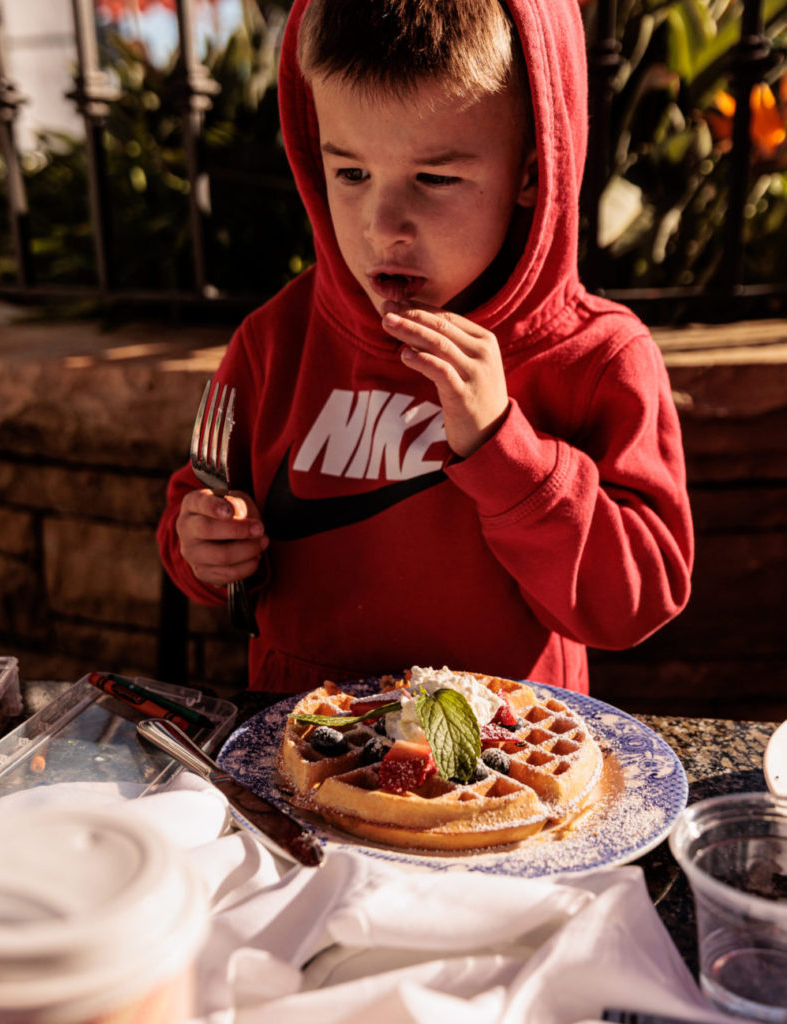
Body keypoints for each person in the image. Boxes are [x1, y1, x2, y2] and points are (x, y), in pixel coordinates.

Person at [157, 0, 693, 696]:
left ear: (533, 171)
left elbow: (637, 601)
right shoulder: (274, 339)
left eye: (435, 179)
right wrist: (204, 548)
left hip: (506, 764)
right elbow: (194, 511)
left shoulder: (597, 357)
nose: (383, 227)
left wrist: (506, 449)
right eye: (350, 174)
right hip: (300, 755)